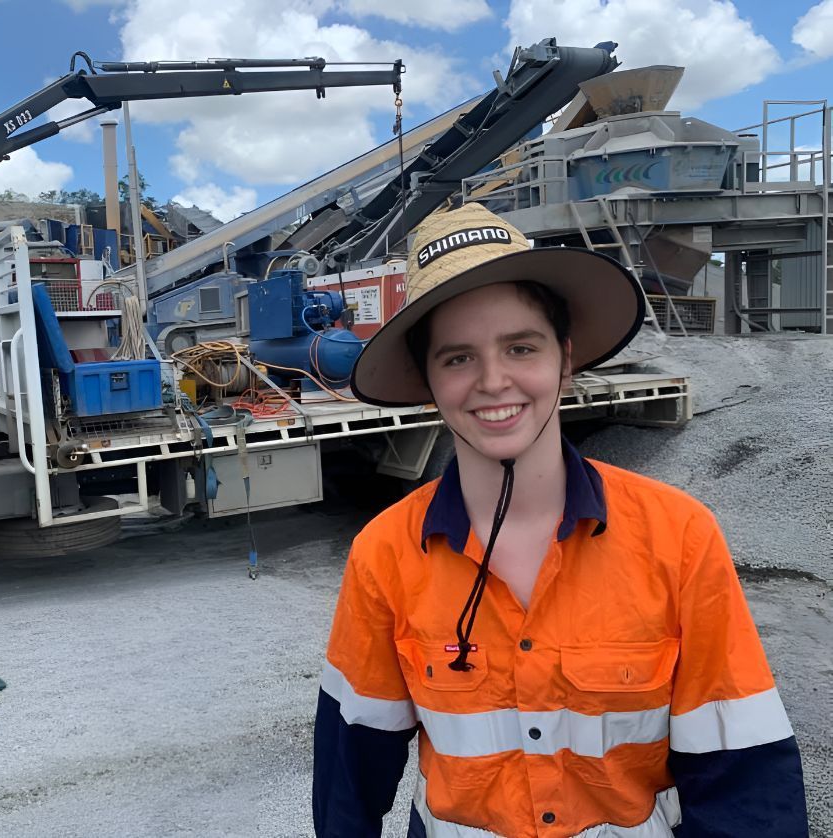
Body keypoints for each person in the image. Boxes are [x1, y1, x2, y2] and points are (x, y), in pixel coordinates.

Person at [312, 203, 807, 837]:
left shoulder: (679, 535)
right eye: (457, 358)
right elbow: (351, 773)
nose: (494, 381)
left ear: (564, 358)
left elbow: (742, 766)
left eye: (521, 347)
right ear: (429, 380)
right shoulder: (384, 553)